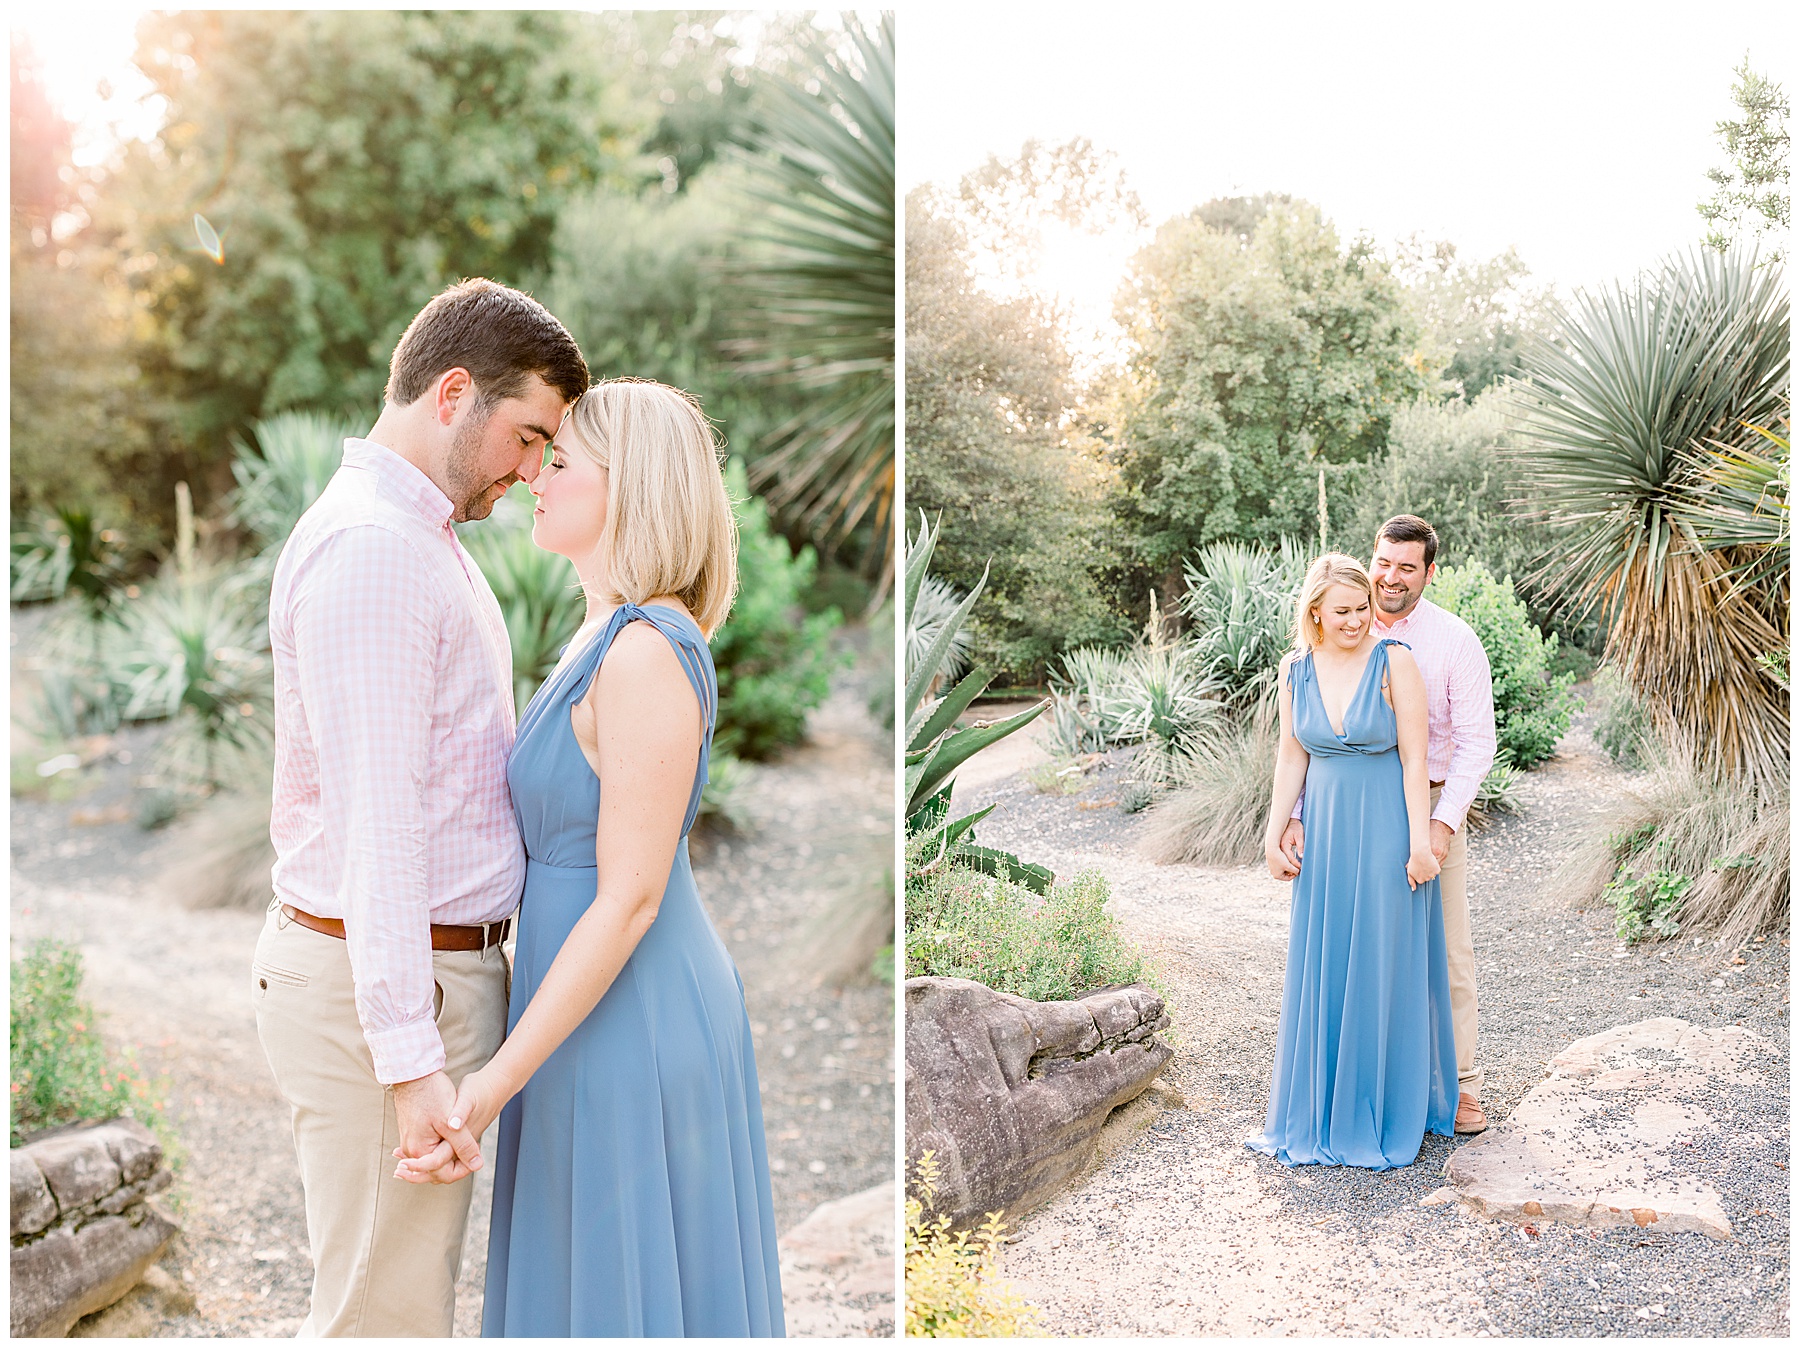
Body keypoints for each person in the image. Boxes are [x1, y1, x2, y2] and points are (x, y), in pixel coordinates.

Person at [394, 378, 786, 1337]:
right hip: (575, 1004)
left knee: (623, 1294)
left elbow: (630, 901)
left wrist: (488, 1086)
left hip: (628, 1014)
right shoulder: (603, 634)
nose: (536, 475)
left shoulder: (647, 650)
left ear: (633, 488)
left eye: (561, 462)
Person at [253, 278, 589, 1336]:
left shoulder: (418, 538)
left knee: (396, 1305)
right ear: (454, 394)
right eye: (528, 435)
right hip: (393, 990)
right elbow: (378, 835)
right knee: (379, 1321)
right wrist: (410, 1061)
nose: (533, 469)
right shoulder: (379, 553)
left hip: (421, 978)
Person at [1275, 515, 1497, 1133]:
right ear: (1370, 560)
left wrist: (1442, 825)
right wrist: (1293, 816)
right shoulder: (1339, 632)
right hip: (1344, 811)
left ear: (1428, 572)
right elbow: (1304, 745)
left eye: (1407, 567)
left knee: (1444, 951)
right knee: (1349, 948)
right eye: (1384, 562)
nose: (1391, 577)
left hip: (1425, 801)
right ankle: (1356, 1087)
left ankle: (1461, 1086)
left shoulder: (1453, 641)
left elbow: (1477, 744)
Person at [1248, 552, 1458, 1170]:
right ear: (1314, 612)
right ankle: (1319, 1110)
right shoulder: (1295, 672)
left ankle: (1384, 1107)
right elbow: (1292, 758)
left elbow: (1417, 760)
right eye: (1342, 610)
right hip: (1328, 837)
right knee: (1327, 962)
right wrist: (1272, 831)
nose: (1357, 620)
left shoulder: (1395, 661)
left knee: (1380, 961)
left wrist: (1421, 842)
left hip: (1389, 829)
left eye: (1363, 607)